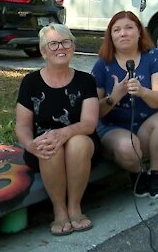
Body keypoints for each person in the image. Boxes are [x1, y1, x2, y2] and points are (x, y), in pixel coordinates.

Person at [15, 23, 100, 236]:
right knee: (47, 143)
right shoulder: (31, 82)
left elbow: (89, 124)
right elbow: (22, 127)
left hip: (81, 144)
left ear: (72, 46)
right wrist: (30, 145)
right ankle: (59, 211)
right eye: (52, 44)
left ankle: (75, 207)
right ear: (44, 51)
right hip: (42, 149)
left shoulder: (86, 80)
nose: (60, 47)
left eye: (65, 42)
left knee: (75, 143)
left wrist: (63, 134)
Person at [91, 11, 158, 199]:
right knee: (126, 147)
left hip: (147, 127)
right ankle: (138, 174)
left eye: (129, 28)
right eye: (117, 30)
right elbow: (93, 111)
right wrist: (114, 96)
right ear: (111, 36)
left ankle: (155, 174)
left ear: (139, 32)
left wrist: (142, 91)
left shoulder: (154, 57)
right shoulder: (102, 64)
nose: (123, 33)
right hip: (113, 128)